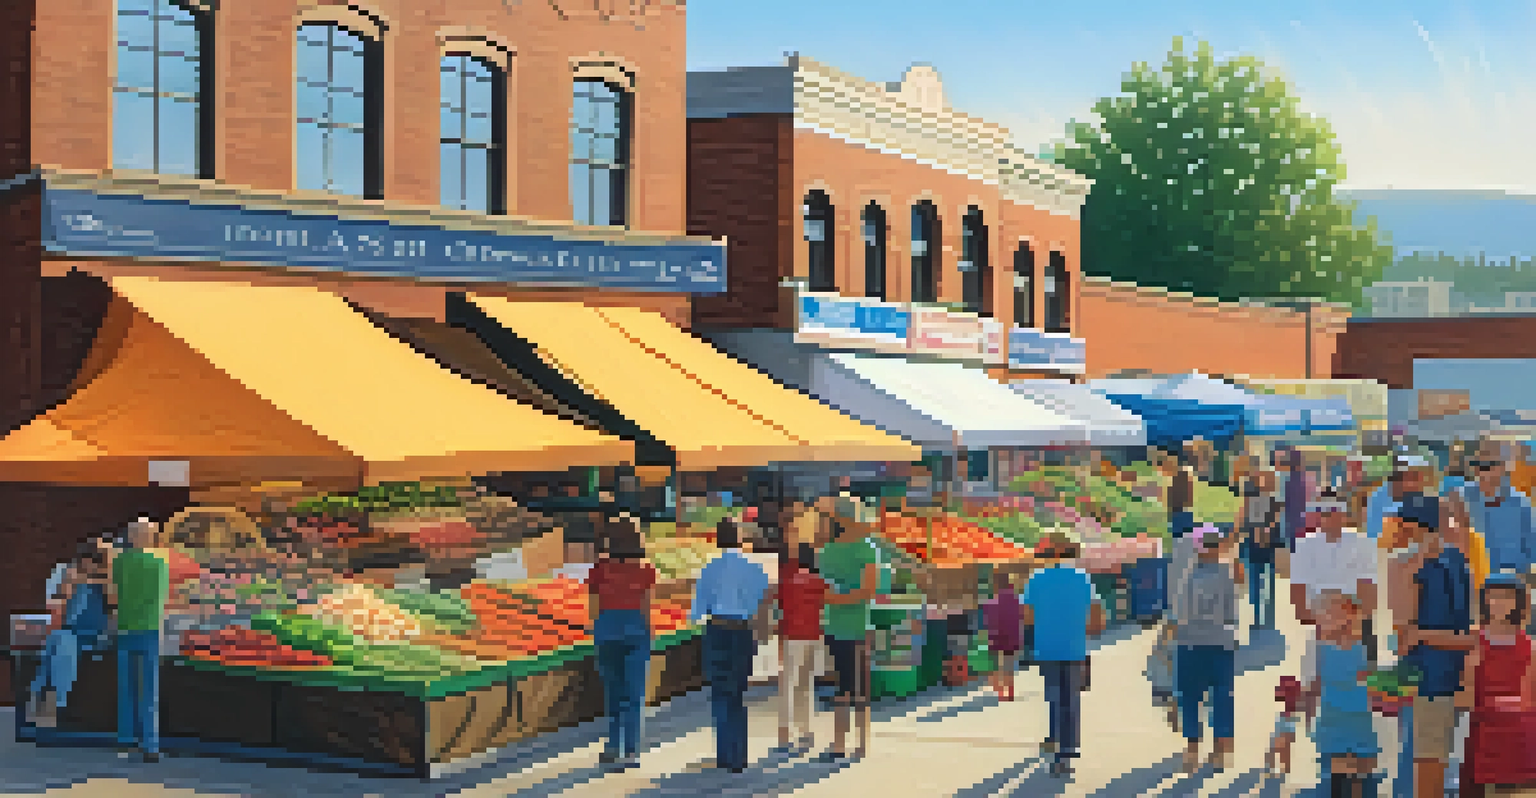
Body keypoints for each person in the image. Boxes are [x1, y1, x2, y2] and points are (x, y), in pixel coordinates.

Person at [1397, 495, 1477, 798]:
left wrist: (1419, 636)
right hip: (1450, 674)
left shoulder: (1420, 565)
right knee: (1436, 758)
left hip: (1430, 676)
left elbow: (1405, 631)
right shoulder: (1456, 560)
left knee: (1429, 759)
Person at [1023, 532, 1106, 779]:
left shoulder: (1036, 579)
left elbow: (1027, 617)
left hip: (1047, 647)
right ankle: (1067, 752)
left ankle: (1055, 739)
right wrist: (1084, 630)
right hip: (1074, 648)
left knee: (1054, 696)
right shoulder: (1083, 579)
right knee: (1071, 699)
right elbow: (1096, 616)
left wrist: (1045, 624)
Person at [691, 518, 771, 773]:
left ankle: (724, 752)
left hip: (717, 630)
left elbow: (697, 611)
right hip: (742, 632)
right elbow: (764, 602)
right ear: (740, 539)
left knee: (719, 691)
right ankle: (739, 755)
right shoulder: (754, 568)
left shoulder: (709, 568)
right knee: (737, 693)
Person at [587, 514, 657, 769]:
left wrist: (595, 627)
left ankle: (612, 745)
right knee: (634, 695)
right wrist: (650, 632)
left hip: (607, 633)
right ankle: (632, 751)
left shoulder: (598, 569)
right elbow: (647, 607)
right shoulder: (646, 569)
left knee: (613, 693)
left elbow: (593, 608)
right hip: (636, 633)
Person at [1170, 524, 1241, 773]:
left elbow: (1181, 611)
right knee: (1222, 694)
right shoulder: (1226, 574)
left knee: (1190, 695)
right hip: (1221, 640)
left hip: (1190, 641)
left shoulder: (1187, 574)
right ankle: (1220, 750)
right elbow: (1232, 612)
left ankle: (1192, 749)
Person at [1459, 573, 1536, 797]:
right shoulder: (1474, 639)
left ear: (1518, 602)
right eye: (1493, 596)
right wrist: (1470, 671)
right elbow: (1465, 697)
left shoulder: (1529, 645)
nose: (1499, 603)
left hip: (1521, 739)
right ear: (1485, 600)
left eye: (1506, 597)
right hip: (1485, 737)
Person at [28, 536, 115, 727]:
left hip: (97, 635)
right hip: (70, 631)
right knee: (58, 642)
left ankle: (44, 701)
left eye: (96, 561)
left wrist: (101, 576)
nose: (91, 565)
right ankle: (51, 701)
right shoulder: (67, 573)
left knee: (59, 643)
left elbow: (113, 602)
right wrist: (71, 585)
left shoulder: (108, 579)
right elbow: (58, 606)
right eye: (89, 560)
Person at [1305, 592, 1381, 798]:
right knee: (1338, 780)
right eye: (1326, 615)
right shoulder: (1317, 649)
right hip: (1333, 723)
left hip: (1361, 723)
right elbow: (1312, 686)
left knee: (1363, 780)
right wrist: (1307, 718)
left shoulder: (1367, 646)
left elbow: (1375, 682)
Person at [817, 515, 879, 760]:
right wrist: (846, 598)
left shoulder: (828, 551)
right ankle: (856, 743)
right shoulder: (866, 548)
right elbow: (868, 591)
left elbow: (825, 592)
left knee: (844, 686)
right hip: (854, 626)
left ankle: (842, 743)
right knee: (855, 687)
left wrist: (835, 599)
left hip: (838, 626)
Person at [1459, 439, 1536, 631]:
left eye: (1488, 466)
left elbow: (1530, 545)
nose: (1480, 471)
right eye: (1476, 465)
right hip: (1472, 585)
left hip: (1510, 585)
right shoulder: (1460, 498)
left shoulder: (1521, 503)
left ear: (1502, 467)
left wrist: (1522, 580)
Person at [1290, 489, 1379, 644]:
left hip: (1354, 618)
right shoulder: (1304, 544)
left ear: (1343, 513)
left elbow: (1368, 586)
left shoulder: (1362, 543)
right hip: (1321, 619)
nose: (1325, 516)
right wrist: (1320, 620)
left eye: (1330, 511)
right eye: (1321, 511)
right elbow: (1298, 586)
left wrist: (1357, 620)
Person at [113, 518, 168, 762]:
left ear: (130, 536)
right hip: (150, 626)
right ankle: (151, 744)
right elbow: (163, 595)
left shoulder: (120, 561)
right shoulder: (160, 561)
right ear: (151, 537)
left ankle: (126, 739)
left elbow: (114, 591)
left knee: (126, 685)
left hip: (125, 626)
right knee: (149, 687)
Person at [774, 542, 830, 754]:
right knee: (806, 686)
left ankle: (784, 735)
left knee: (788, 685)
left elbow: (780, 609)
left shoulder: (787, 581)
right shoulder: (819, 583)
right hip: (814, 636)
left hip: (791, 635)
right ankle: (806, 732)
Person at [1242, 469, 1283, 631]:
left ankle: (1267, 612)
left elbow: (1275, 520)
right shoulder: (1254, 500)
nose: (1268, 482)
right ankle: (1258, 614)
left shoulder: (1275, 500)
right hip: (1256, 543)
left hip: (1268, 543)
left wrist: (1265, 531)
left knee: (1268, 578)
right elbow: (1250, 521)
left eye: (1271, 480)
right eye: (1266, 479)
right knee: (1257, 580)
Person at [983, 572, 1023, 701]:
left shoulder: (993, 601)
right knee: (1009, 665)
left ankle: (1001, 693)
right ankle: (1010, 691)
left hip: (996, 636)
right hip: (1013, 636)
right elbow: (1021, 615)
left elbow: (988, 619)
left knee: (997, 665)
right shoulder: (1016, 599)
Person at [1267, 674, 1306, 781]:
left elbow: (1277, 697)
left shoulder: (1288, 687)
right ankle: (1285, 767)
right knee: (1285, 744)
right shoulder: (1297, 688)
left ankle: (1282, 767)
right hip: (1292, 717)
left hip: (1287, 717)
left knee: (1281, 743)